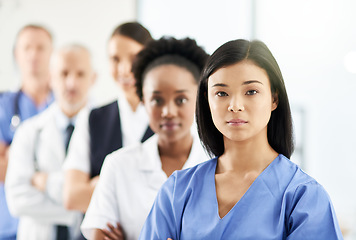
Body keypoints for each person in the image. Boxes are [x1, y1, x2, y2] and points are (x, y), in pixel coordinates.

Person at [139, 39, 343, 239]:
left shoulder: (304, 197)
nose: (235, 105)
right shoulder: (177, 191)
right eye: (221, 93)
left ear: (274, 98)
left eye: (251, 91)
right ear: (206, 101)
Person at [80, 37, 210, 240]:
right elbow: (99, 234)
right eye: (157, 100)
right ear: (143, 100)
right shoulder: (118, 165)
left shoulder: (218, 164)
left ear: (200, 99)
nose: (168, 111)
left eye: (181, 99)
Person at [5, 44, 96, 240]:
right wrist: (77, 203)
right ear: (50, 78)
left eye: (80, 74)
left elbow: (108, 195)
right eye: (63, 74)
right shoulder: (29, 131)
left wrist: (46, 182)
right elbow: (17, 199)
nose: (71, 83)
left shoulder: (104, 131)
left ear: (93, 78)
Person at [63, 22, 154, 214]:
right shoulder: (91, 118)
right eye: (115, 59)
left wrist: (102, 186)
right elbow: (72, 197)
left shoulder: (168, 118)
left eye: (134, 58)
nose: (125, 69)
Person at [0, 24, 54, 240]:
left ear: (52, 54)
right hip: (9, 225)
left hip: (53, 225)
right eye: (27, 47)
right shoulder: (4, 106)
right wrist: (45, 175)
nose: (34, 54)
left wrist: (15, 158)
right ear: (16, 54)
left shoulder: (66, 107)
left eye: (41, 48)